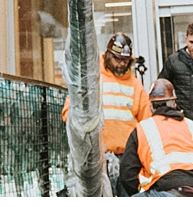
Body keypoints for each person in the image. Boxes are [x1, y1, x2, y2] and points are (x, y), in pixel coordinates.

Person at [65, 33, 152, 186]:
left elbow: (147, 125)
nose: (121, 64)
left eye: (125, 60)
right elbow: (69, 112)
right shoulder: (91, 80)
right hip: (96, 156)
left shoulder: (136, 86)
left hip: (127, 157)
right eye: (117, 59)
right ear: (107, 55)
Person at [118, 79, 193, 197]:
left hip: (167, 190)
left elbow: (127, 174)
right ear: (174, 104)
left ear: (151, 107)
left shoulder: (143, 128)